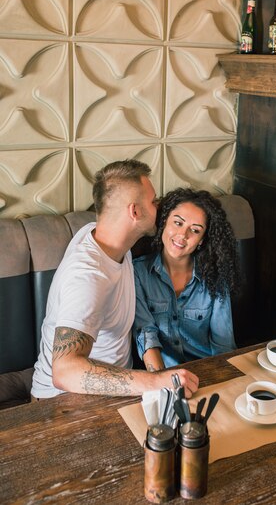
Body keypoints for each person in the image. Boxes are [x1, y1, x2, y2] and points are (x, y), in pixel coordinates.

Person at [31, 160, 199, 399]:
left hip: (111, 391)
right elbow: (65, 372)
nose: (158, 206)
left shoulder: (106, 236)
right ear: (134, 212)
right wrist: (155, 381)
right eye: (153, 201)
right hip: (63, 400)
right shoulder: (88, 277)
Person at [133, 188, 239, 371]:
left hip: (207, 370)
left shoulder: (215, 278)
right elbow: (146, 335)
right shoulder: (138, 272)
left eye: (195, 230)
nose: (183, 234)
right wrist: (162, 383)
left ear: (202, 240)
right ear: (164, 221)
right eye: (178, 223)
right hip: (162, 373)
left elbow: (223, 344)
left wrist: (220, 381)